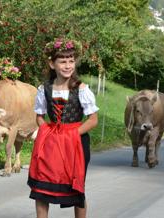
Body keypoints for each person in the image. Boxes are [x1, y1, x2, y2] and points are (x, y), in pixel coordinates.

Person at [27, 38, 99, 218]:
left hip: (76, 143)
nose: (68, 66)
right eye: (63, 61)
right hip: (51, 142)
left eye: (71, 61)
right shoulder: (45, 89)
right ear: (52, 64)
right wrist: (47, 133)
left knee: (77, 188)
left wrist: (71, 135)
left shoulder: (82, 89)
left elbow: (92, 120)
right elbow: (39, 116)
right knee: (42, 186)